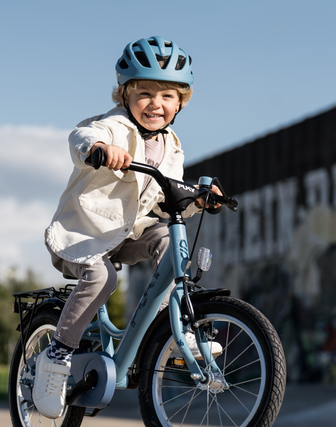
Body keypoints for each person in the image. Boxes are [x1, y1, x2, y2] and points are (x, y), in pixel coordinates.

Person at [34, 36, 222, 419]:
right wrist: (100, 150)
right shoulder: (115, 127)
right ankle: (57, 356)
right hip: (84, 232)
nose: (157, 104)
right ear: (124, 94)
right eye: (145, 93)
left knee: (172, 246)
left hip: (130, 231)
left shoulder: (172, 145)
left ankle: (176, 329)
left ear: (180, 102)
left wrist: (196, 199)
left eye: (168, 96)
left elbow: (165, 196)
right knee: (102, 280)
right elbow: (82, 136)